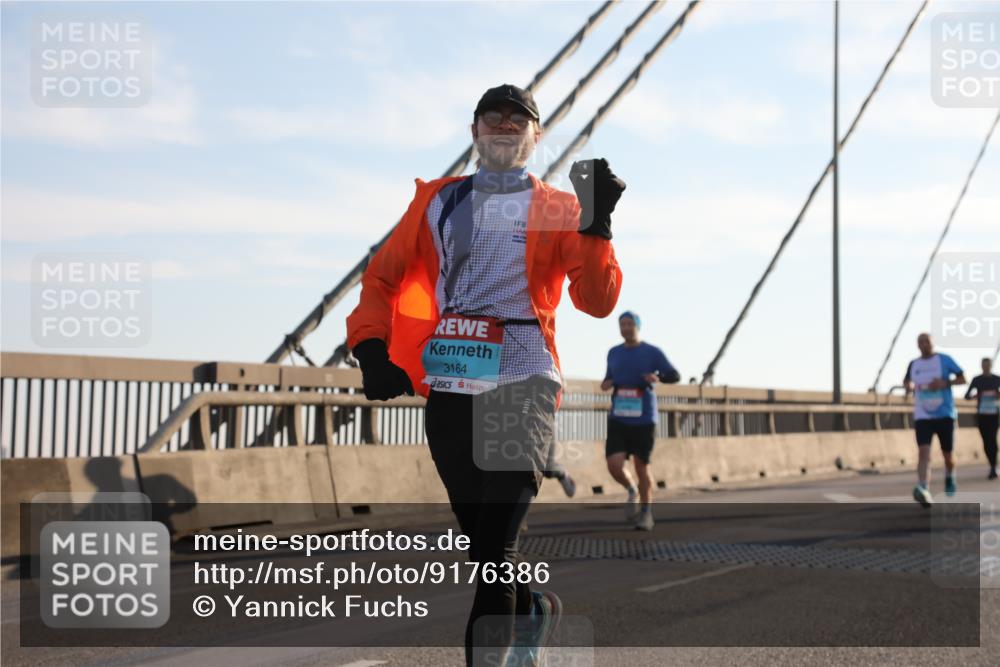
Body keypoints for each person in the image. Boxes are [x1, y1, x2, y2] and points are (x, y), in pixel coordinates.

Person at [346, 83, 625, 666]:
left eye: (516, 120)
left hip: (523, 375)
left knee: (496, 542)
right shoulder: (438, 203)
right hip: (453, 376)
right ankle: (533, 611)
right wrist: (371, 348)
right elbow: (381, 279)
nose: (504, 126)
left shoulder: (558, 208)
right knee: (484, 548)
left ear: (535, 136)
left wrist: (597, 228)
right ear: (474, 132)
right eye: (491, 118)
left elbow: (596, 302)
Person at [600, 311, 679, 530]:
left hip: (644, 418)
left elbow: (674, 375)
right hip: (619, 416)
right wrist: (606, 383)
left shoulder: (652, 352)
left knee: (641, 467)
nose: (625, 328)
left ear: (637, 326)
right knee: (614, 465)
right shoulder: (613, 353)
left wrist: (658, 377)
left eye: (629, 324)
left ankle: (646, 513)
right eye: (621, 324)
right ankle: (631, 489)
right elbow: (608, 377)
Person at [903, 333, 966, 507]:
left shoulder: (944, 360)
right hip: (923, 415)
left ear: (933, 343)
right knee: (924, 452)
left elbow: (963, 378)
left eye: (927, 341)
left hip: (945, 415)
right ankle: (923, 488)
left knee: (948, 456)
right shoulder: (913, 364)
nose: (924, 345)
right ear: (917, 345)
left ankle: (949, 476)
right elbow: (907, 381)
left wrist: (945, 383)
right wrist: (908, 386)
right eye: (920, 342)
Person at [965, 357, 999, 480]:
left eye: (987, 365)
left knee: (993, 440)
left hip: (995, 415)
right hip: (981, 415)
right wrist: (975, 395)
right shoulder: (977, 380)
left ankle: (993, 467)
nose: (985, 367)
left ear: (991, 366)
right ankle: (991, 464)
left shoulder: (997, 379)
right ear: (981, 366)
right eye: (983, 365)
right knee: (986, 441)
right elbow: (967, 396)